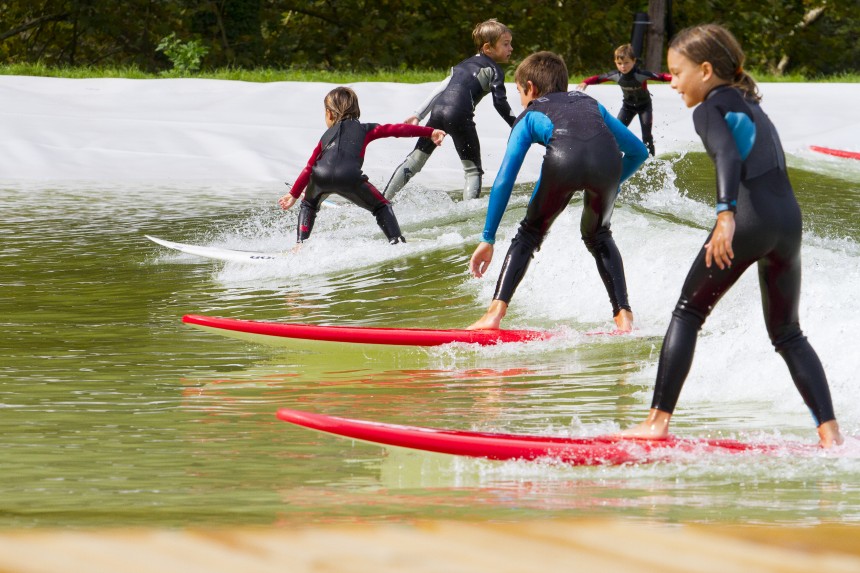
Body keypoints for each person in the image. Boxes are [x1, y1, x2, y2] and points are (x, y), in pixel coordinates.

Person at [621, 24, 843, 448]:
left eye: (676, 72)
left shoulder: (709, 108)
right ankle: (830, 435)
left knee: (687, 312)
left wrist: (725, 215)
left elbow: (726, 153)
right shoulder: (751, 104)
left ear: (705, 70)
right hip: (787, 223)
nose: (672, 83)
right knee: (788, 333)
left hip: (750, 219)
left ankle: (655, 423)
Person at [467, 51, 648, 332]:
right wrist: (611, 184)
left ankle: (493, 315)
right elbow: (638, 151)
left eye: (519, 92)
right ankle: (624, 317)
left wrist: (487, 238)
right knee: (598, 235)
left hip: (562, 161)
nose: (521, 99)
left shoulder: (529, 115)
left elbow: (505, 179)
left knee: (528, 234)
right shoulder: (589, 102)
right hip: (608, 162)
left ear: (530, 88)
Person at [278, 87, 446, 244]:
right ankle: (396, 241)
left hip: (319, 175)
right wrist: (430, 132)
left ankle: (300, 244)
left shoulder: (325, 137)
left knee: (308, 205)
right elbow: (396, 130)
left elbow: (309, 166)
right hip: (349, 177)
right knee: (382, 206)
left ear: (329, 113)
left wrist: (294, 193)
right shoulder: (366, 129)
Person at [382, 18, 516, 202]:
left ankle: (382, 201)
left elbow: (441, 89)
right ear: (488, 48)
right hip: (460, 117)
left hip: (437, 114)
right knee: (472, 170)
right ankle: (468, 212)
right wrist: (516, 124)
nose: (511, 49)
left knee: (414, 161)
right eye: (506, 44)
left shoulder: (462, 65)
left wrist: (418, 114)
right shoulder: (494, 70)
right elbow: (500, 103)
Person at [577, 43, 671, 156]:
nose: (623, 66)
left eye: (626, 63)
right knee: (615, 131)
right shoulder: (616, 75)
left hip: (644, 107)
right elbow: (598, 78)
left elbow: (661, 77)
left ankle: (651, 159)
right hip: (628, 107)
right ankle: (612, 154)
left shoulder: (641, 74)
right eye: (619, 63)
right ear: (615, 63)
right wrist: (586, 82)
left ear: (634, 61)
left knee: (646, 135)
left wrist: (675, 77)